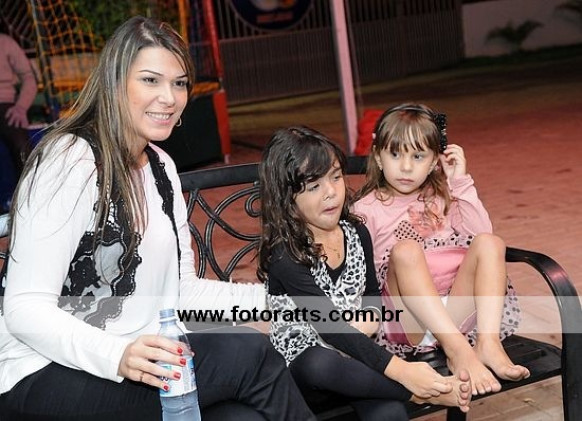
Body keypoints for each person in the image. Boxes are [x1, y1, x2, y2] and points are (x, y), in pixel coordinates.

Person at [0, 16, 314, 421]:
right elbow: (25, 308)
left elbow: (181, 293)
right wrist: (118, 354)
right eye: (151, 80)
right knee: (249, 352)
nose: (169, 97)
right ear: (115, 82)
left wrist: (287, 302)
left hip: (134, 355)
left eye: (179, 83)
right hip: (40, 370)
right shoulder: (70, 161)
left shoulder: (160, 166)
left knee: (240, 416)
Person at [257, 126, 472, 420]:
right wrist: (405, 373)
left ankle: (410, 390)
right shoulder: (286, 254)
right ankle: (420, 391)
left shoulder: (356, 232)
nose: (331, 192)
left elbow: (371, 292)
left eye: (335, 177)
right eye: (314, 186)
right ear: (287, 196)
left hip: (360, 358)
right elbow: (330, 328)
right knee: (320, 362)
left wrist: (370, 316)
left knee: (389, 413)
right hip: (307, 371)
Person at [353, 103, 530, 396]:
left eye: (418, 156)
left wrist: (459, 180)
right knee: (406, 251)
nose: (406, 167)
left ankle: (487, 343)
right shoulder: (365, 210)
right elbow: (360, 276)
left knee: (491, 243)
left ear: (434, 161)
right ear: (378, 157)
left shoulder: (443, 197)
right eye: (395, 154)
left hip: (456, 312)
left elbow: (481, 234)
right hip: (409, 319)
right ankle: (458, 350)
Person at [0, 22, 37, 213]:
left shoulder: (5, 42)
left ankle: (31, 200)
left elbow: (29, 77)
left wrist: (20, 107)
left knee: (23, 147)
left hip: (4, 105)